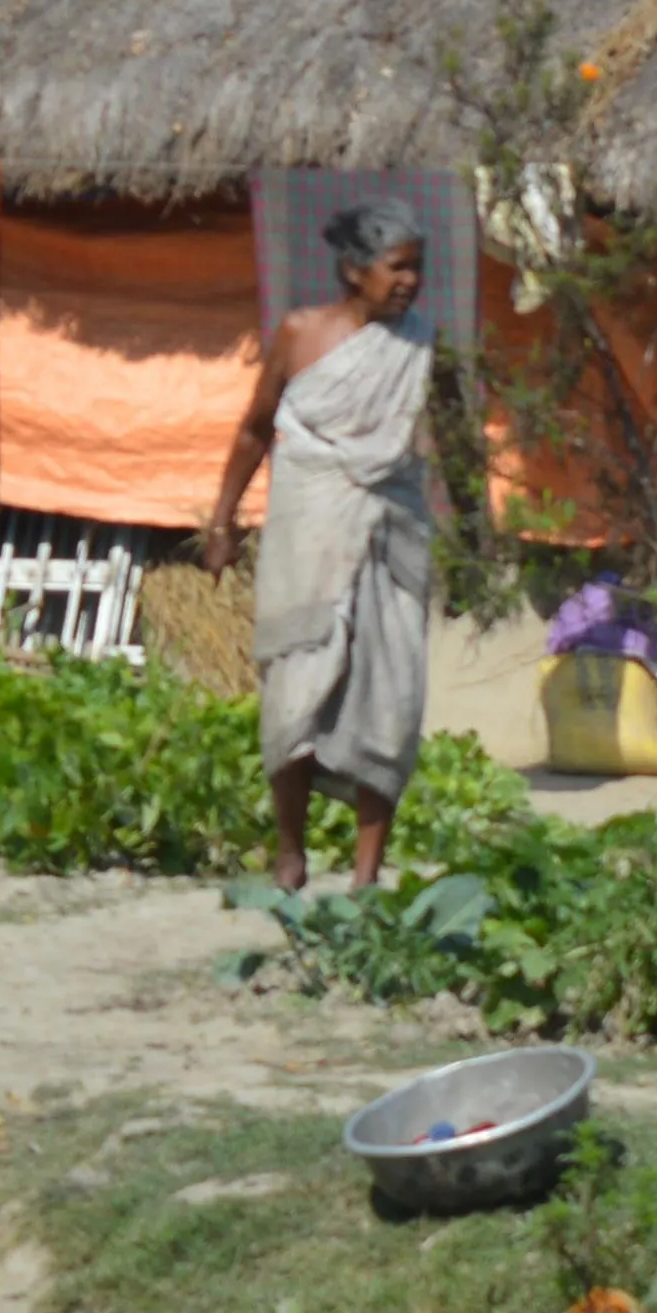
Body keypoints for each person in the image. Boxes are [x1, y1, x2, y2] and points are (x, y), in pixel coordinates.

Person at [209, 199, 437, 892]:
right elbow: (255, 429)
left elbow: (452, 431)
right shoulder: (300, 334)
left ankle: (367, 873)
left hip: (391, 536)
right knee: (295, 692)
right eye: (397, 269)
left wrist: (475, 536)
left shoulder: (424, 344)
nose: (409, 283)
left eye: (417, 270)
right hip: (306, 534)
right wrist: (222, 521)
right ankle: (290, 851)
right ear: (354, 270)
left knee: (389, 696)